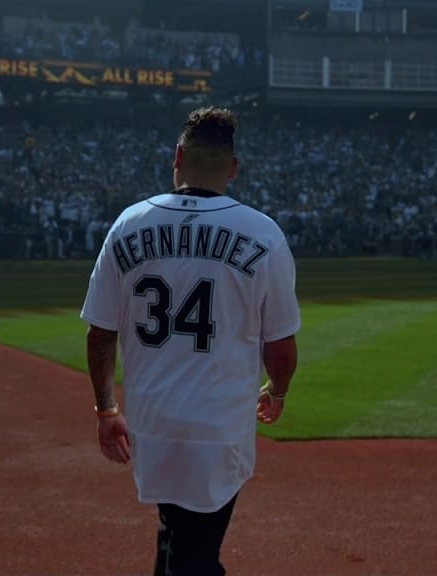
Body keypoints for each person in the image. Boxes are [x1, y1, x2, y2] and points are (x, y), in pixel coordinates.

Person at [80, 107, 300, 576]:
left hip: (151, 425)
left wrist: (105, 409)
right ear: (234, 167)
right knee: (196, 558)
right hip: (218, 430)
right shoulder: (264, 234)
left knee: (175, 540)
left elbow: (100, 334)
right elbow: (280, 348)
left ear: (177, 156)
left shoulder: (129, 224)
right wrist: (277, 391)